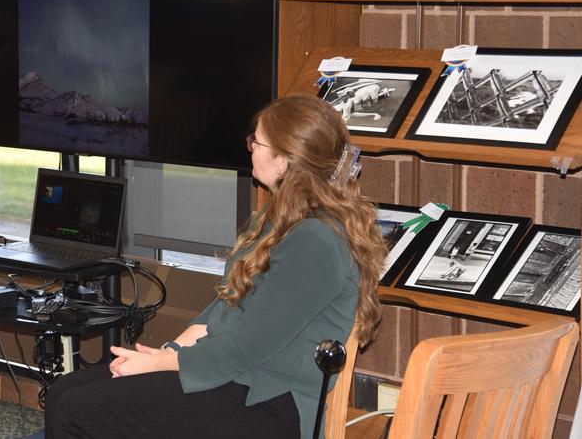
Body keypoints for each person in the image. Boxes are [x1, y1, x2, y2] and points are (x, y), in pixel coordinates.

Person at [44, 94, 387, 439]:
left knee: (79, 410)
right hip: (235, 375)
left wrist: (159, 365)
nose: (250, 146)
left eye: (257, 141)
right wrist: (167, 353)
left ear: (284, 160)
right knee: (64, 393)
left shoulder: (314, 241)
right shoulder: (280, 219)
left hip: (270, 401)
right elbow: (226, 307)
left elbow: (248, 347)